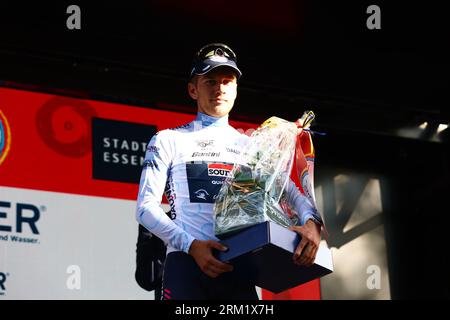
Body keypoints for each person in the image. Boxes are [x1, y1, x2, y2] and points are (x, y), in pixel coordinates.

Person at [135, 43, 323, 300]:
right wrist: (192, 246)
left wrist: (311, 225)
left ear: (235, 89)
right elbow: (145, 208)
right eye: (210, 81)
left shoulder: (251, 147)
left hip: (239, 266)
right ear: (193, 89)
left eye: (227, 81)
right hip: (187, 264)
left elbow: (292, 193)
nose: (219, 88)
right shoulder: (168, 139)